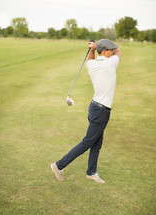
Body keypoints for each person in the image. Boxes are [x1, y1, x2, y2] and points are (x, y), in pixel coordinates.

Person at [51, 39, 121, 184]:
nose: (114, 51)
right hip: (101, 111)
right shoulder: (111, 63)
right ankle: (59, 165)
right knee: (88, 142)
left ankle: (91, 172)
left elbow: (91, 58)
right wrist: (96, 48)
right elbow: (119, 52)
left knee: (96, 143)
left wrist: (92, 49)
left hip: (95, 107)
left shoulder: (91, 64)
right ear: (105, 52)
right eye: (111, 50)